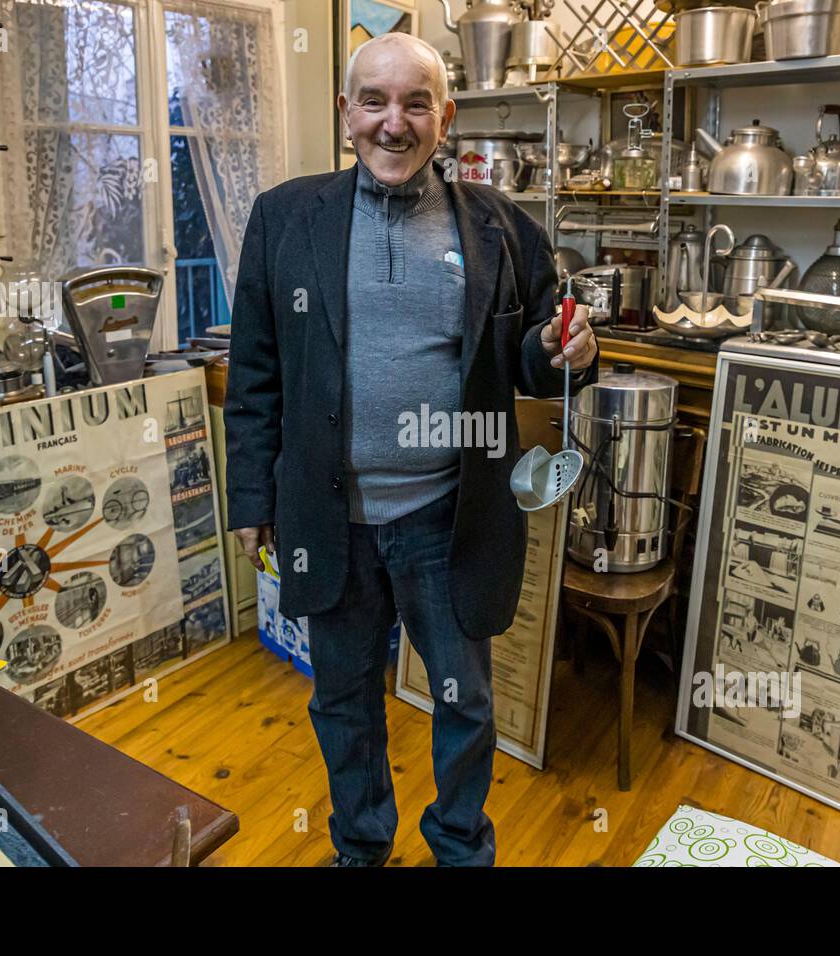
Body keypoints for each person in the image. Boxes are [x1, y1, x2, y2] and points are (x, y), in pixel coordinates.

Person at [224, 33, 598, 867]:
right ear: (346, 112)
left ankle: (461, 844)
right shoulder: (285, 218)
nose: (394, 124)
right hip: (329, 514)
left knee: (464, 701)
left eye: (416, 103)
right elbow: (253, 372)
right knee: (344, 701)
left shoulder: (502, 228)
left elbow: (538, 352)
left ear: (445, 118)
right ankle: (362, 848)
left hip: (447, 516)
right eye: (375, 101)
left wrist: (572, 349)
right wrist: (251, 498)